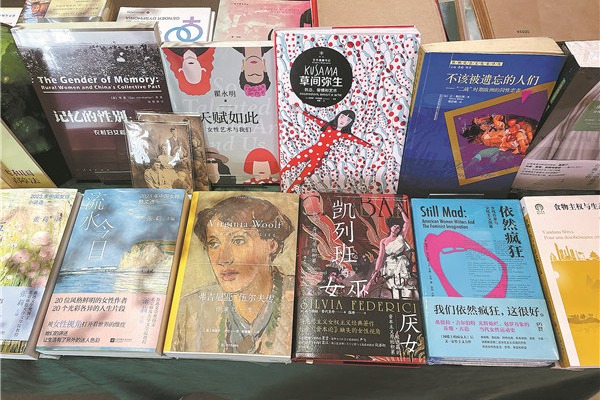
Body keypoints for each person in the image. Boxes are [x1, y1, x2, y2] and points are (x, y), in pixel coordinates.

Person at [171, 195, 295, 355]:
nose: (223, 259)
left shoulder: (299, 296)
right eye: (213, 244)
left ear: (271, 245)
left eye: (238, 241)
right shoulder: (189, 310)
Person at [280, 108, 373, 192]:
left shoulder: (343, 134)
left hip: (320, 157)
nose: (343, 120)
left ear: (350, 123)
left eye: (347, 120)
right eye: (342, 117)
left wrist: (372, 146)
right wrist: (301, 112)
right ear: (338, 116)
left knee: (303, 176)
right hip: (312, 150)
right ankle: (280, 182)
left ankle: (289, 193)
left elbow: (358, 140)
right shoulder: (327, 126)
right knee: (290, 164)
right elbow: (314, 119)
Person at [365, 212, 418, 300]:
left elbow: (407, 222)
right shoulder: (383, 241)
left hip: (401, 263)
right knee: (393, 285)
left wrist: (401, 211)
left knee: (404, 284)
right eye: (394, 226)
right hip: (390, 265)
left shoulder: (401, 237)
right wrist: (376, 271)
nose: (396, 228)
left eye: (398, 227)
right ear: (391, 227)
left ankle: (406, 299)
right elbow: (380, 257)